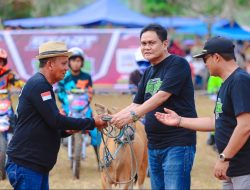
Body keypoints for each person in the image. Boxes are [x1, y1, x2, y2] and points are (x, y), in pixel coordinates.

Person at [5, 41, 107, 190]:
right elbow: (55, 120)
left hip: (33, 165)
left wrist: (65, 131)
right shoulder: (40, 85)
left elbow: (46, 124)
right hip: (27, 165)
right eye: (64, 63)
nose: (67, 67)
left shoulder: (42, 85)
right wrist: (92, 122)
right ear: (51, 64)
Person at [155, 36, 250, 189]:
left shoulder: (240, 81)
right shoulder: (228, 83)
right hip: (233, 168)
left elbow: (245, 126)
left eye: (205, 59)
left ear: (216, 57)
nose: (204, 64)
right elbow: (216, 121)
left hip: (244, 168)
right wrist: (179, 121)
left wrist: (224, 158)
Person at [110, 24, 197, 190]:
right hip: (154, 145)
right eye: (143, 43)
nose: (146, 47)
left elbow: (161, 97)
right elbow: (136, 103)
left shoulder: (178, 64)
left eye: (151, 43)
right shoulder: (149, 72)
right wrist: (113, 118)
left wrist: (131, 116)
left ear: (165, 44)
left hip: (177, 144)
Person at [57, 47, 101, 162]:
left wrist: (86, 101)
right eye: (73, 60)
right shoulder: (64, 76)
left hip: (84, 108)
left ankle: (100, 160)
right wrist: (66, 101)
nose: (76, 63)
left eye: (78, 61)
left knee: (96, 131)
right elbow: (60, 92)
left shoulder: (86, 77)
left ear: (82, 62)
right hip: (67, 107)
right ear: (69, 62)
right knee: (54, 125)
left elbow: (90, 92)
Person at [0, 48, 25, 139]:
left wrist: (28, 88)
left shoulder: (8, 74)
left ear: (4, 62)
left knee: (14, 122)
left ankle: (15, 143)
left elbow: (19, 83)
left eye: (0, 61)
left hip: (4, 104)